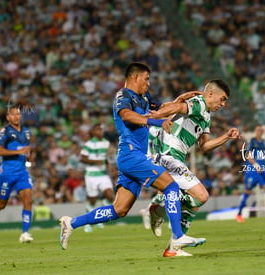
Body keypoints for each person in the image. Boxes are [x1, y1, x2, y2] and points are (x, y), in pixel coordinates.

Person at [58, 62, 205, 252]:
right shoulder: (123, 96)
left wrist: (182, 99)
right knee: (171, 186)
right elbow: (127, 115)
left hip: (134, 157)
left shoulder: (144, 98)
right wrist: (155, 122)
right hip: (130, 154)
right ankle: (177, 237)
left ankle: (72, 223)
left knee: (119, 209)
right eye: (146, 79)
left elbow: (162, 109)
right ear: (135, 77)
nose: (148, 83)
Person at [143, 79, 240, 257]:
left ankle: (165, 225)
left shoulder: (206, 115)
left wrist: (226, 137)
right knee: (201, 195)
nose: (223, 104)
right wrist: (156, 116)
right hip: (167, 155)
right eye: (222, 99)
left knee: (194, 202)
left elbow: (204, 146)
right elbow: (178, 107)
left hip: (176, 158)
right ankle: (167, 226)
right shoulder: (199, 103)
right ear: (210, 94)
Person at [0, 105, 34, 243]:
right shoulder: (5, 132)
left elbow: (26, 151)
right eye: (13, 114)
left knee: (28, 199)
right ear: (7, 117)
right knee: (1, 204)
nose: (16, 116)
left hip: (22, 173)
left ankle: (25, 233)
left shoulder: (27, 132)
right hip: (7, 174)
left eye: (18, 114)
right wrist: (19, 152)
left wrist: (28, 157)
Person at [80, 123, 114, 232]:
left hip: (103, 174)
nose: (100, 131)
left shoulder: (106, 143)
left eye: (101, 129)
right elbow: (82, 158)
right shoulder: (89, 144)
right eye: (97, 130)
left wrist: (110, 166)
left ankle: (100, 215)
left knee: (110, 195)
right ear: (93, 132)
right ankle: (88, 222)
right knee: (92, 200)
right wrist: (95, 161)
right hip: (91, 175)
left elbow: (106, 158)